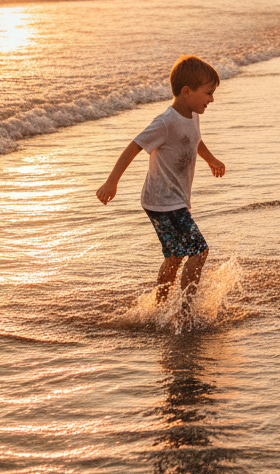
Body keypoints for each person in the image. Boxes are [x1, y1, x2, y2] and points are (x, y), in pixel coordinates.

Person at [96, 55, 226, 307]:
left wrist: (211, 160)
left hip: (169, 200)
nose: (212, 99)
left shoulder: (192, 114)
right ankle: (185, 313)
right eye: (208, 93)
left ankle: (161, 307)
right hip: (163, 202)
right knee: (199, 252)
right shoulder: (165, 122)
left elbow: (194, 139)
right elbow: (134, 146)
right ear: (187, 92)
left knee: (176, 256)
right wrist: (112, 182)